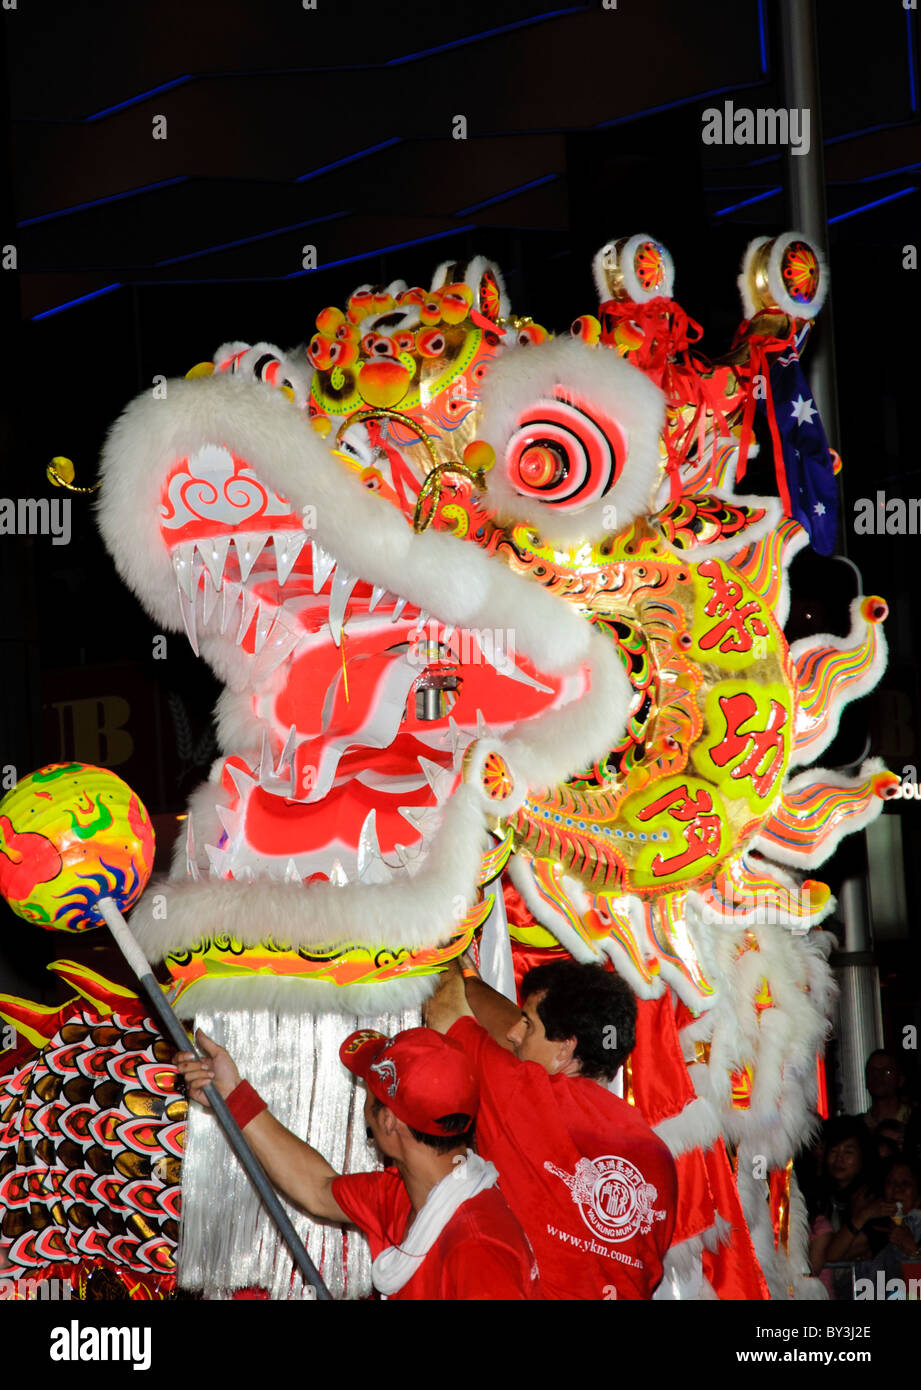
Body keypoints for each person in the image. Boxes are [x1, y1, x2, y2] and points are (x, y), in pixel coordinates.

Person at [175, 1025, 539, 1301]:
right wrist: (232, 1094)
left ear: (388, 1122)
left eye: (368, 1089)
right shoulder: (406, 1193)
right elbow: (316, 1188)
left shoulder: (478, 1251)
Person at [424, 957, 677, 1300]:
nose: (513, 1033)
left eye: (527, 1024)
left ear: (565, 1050)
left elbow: (445, 1012)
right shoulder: (658, 1155)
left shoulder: (523, 1096)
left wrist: (454, 956)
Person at [808, 1116, 877, 1295]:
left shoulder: (873, 1198)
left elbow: (863, 1246)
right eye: (834, 1151)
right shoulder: (814, 1197)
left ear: (863, 1155)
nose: (839, 1159)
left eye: (848, 1152)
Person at [859, 1050, 915, 1132]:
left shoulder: (915, 1120)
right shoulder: (858, 1127)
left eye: (887, 1072)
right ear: (866, 1080)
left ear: (900, 1080)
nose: (878, 1076)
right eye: (873, 1071)